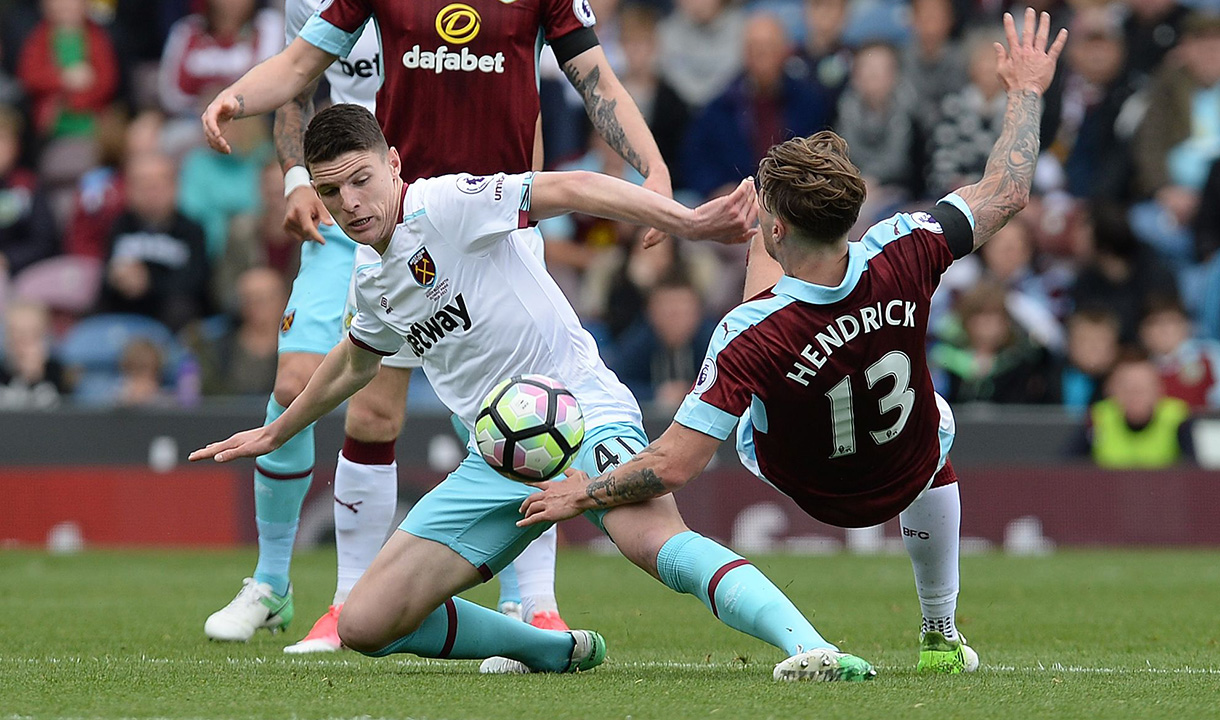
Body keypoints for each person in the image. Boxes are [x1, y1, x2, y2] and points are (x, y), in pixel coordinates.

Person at [191, 102, 875, 683]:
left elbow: (572, 187)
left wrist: (689, 225)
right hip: (497, 457)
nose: (350, 204)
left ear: (394, 163)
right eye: (332, 191)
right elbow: (353, 363)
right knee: (367, 623)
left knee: (656, 542)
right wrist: (278, 431)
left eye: (362, 180)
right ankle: (550, 649)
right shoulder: (372, 279)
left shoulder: (446, 204)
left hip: (579, 411)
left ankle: (812, 648)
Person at [519, 9, 1068, 675]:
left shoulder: (747, 332)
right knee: (937, 417)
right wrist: (1028, 90)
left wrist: (584, 493)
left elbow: (672, 466)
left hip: (808, 479)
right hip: (904, 464)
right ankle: (939, 633)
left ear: (774, 231)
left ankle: (929, 630)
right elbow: (1007, 190)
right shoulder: (908, 244)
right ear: (852, 211)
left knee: (765, 343)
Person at [199, 0, 676, 649]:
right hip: (373, 225)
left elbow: (589, 79)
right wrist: (270, 143)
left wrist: (654, 170)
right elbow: (296, 76)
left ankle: (533, 605)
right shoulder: (334, 10)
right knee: (354, 405)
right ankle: (320, 596)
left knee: (518, 410)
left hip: (474, 215)